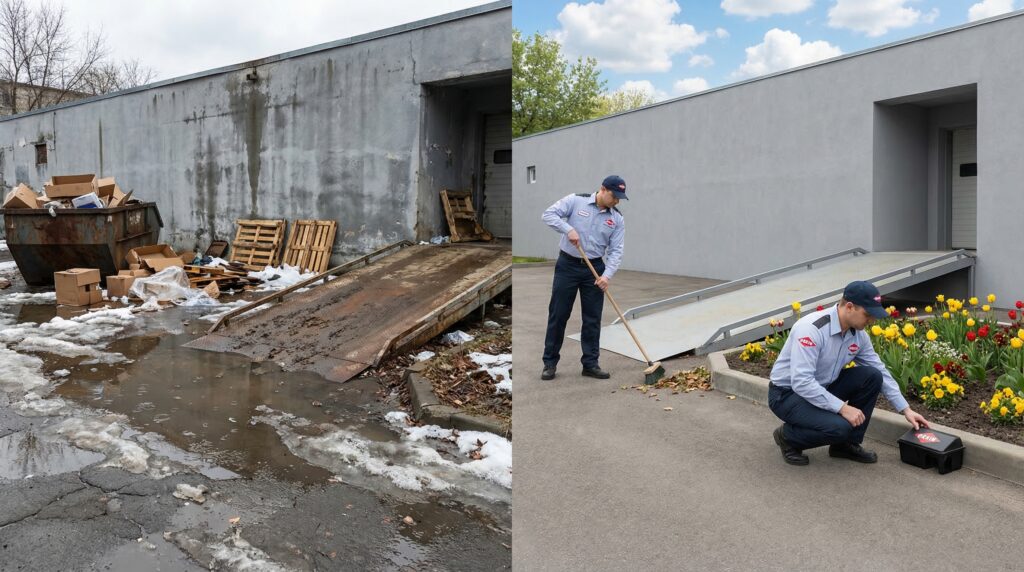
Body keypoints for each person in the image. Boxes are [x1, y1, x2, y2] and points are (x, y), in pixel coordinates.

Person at [768, 280, 930, 465]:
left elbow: (880, 370)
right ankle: (787, 437)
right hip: (787, 395)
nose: (872, 321)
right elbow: (802, 382)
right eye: (868, 315)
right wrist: (842, 408)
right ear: (850, 307)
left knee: (872, 376)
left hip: (822, 387)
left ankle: (845, 446)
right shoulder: (811, 329)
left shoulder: (859, 335)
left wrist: (906, 409)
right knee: (840, 428)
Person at [539, 175, 626, 380]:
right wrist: (568, 229)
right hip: (567, 266)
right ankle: (549, 363)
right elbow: (548, 215)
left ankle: (590, 364)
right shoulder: (576, 200)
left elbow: (616, 251)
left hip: (594, 269)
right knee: (558, 315)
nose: (617, 201)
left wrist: (606, 276)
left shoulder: (617, 219)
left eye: (620, 198)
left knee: (592, 319)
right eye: (614, 196)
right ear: (603, 189)